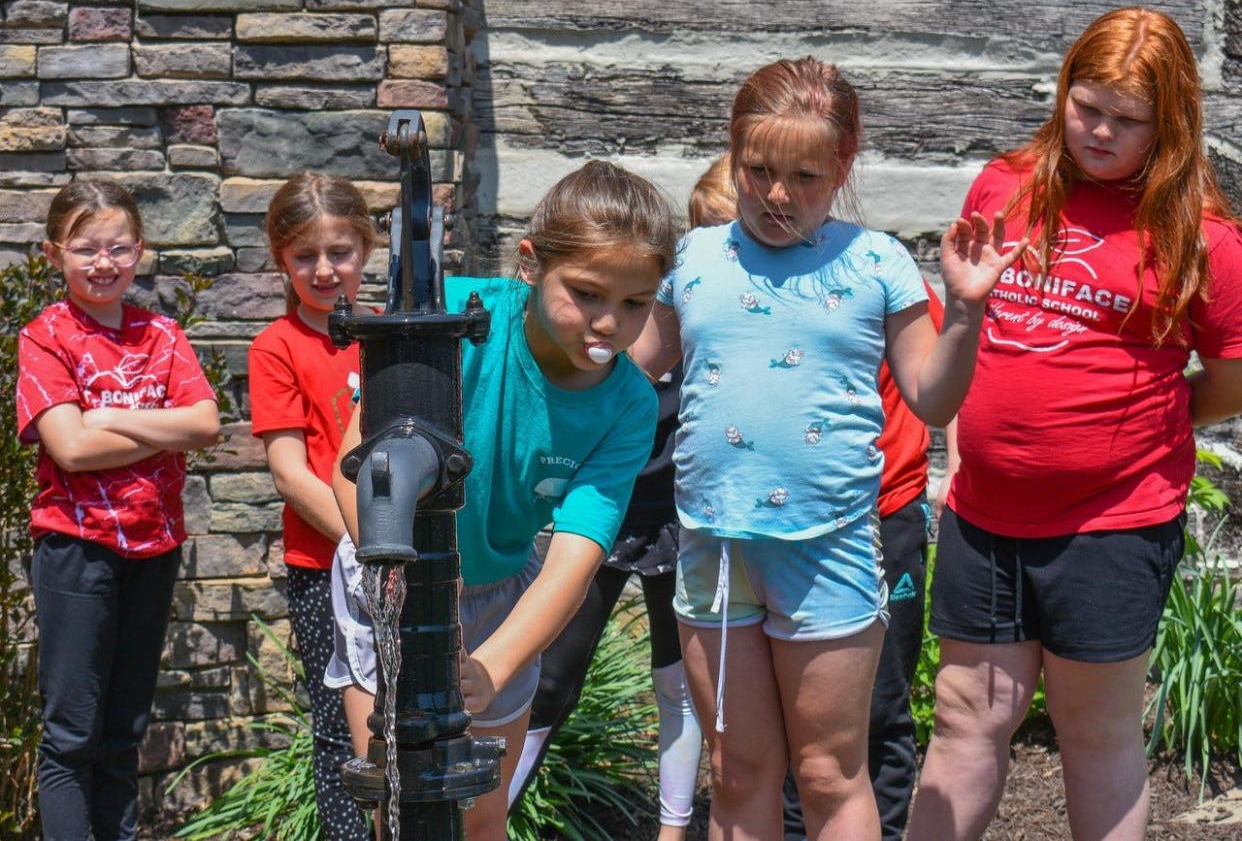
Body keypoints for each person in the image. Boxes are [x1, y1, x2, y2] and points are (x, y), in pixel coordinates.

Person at [631, 55, 1024, 839]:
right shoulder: (694, 259)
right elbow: (632, 374)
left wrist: (965, 312)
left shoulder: (873, 261)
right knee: (737, 772)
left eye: (806, 176)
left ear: (844, 163)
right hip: (714, 546)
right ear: (734, 153)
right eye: (758, 170)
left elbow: (933, 395)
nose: (778, 195)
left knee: (827, 772)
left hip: (829, 550)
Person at [906, 7, 1242, 841]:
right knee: (963, 722)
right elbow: (971, 320)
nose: (1098, 131)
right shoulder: (1004, 185)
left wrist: (1143, 431)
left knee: (1095, 735)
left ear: (1171, 125)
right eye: (1085, 107)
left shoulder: (1203, 239)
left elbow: (1231, 380)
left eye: (1126, 121)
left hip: (1112, 525)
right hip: (985, 513)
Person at [326, 160, 679, 840]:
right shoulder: (451, 323)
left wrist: (493, 664)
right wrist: (405, 573)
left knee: (483, 806)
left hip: (498, 597)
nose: (608, 324)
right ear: (529, 266)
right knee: (396, 802)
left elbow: (574, 561)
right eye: (586, 293)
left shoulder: (629, 405)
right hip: (387, 576)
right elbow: (356, 470)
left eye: (636, 303)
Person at [506, 159, 740, 840]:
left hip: (684, 512)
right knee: (550, 677)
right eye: (708, 231)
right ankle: (491, 814)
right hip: (607, 505)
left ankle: (672, 830)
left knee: (683, 682)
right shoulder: (647, 309)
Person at [17, 180, 221, 840]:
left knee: (125, 727)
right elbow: (71, 449)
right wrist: (151, 423)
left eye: (119, 247)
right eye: (85, 249)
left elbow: (205, 425)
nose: (103, 262)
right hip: (76, 550)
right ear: (54, 254)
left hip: (154, 548)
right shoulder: (45, 337)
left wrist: (108, 414)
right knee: (73, 732)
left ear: (141, 251)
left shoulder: (161, 334)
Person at [248, 173, 376, 840]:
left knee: (407, 725)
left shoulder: (393, 335)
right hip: (324, 561)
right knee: (340, 727)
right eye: (305, 256)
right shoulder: (276, 348)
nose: (324, 270)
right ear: (281, 259)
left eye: (340, 252)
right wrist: (371, 545)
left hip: (409, 565)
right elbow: (290, 473)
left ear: (368, 247)